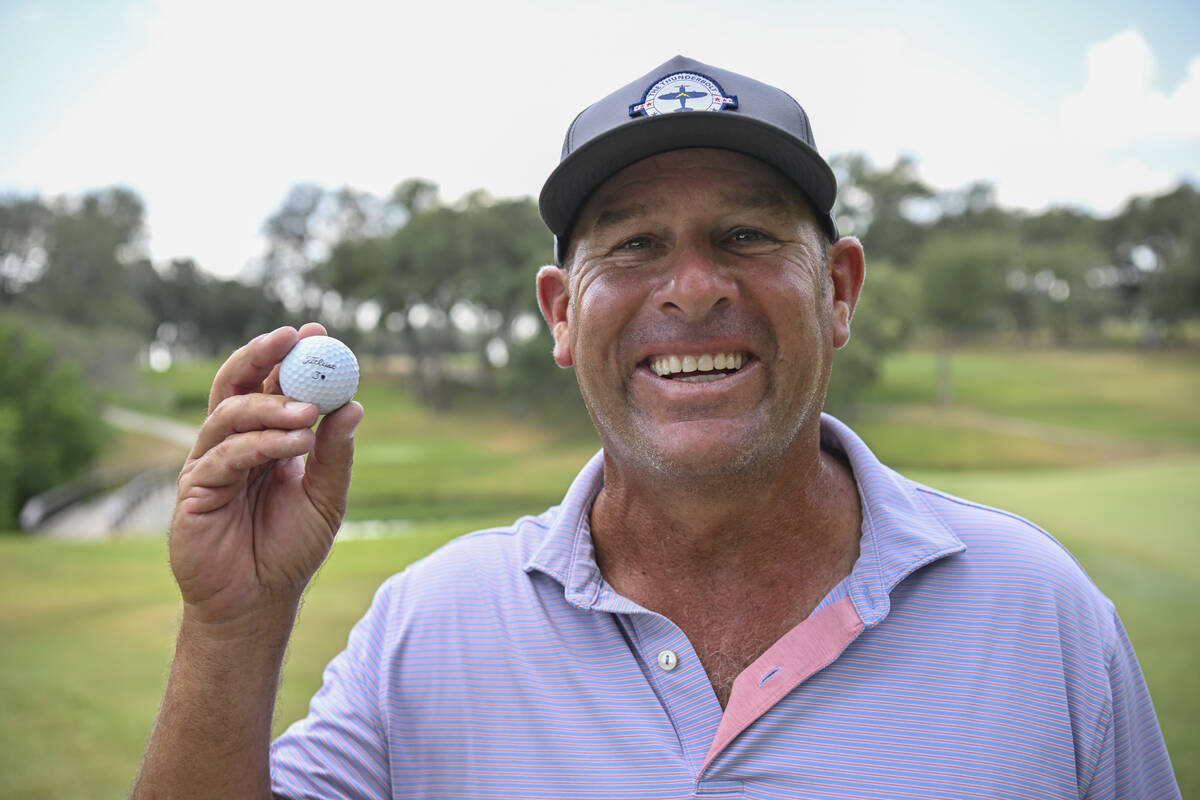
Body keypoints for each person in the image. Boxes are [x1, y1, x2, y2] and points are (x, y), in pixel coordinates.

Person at [132, 55, 1180, 799]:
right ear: (558, 311)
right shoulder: (424, 629)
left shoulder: (1041, 615)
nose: (690, 287)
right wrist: (233, 625)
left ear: (840, 290)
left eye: (744, 234)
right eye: (632, 245)